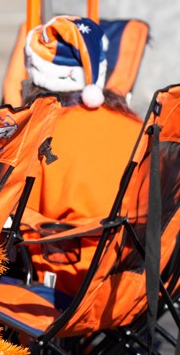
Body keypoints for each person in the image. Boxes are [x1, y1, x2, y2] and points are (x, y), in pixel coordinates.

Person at [15, 15, 143, 294]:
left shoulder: (37, 137)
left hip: (63, 284)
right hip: (133, 283)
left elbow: (17, 213)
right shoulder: (139, 129)